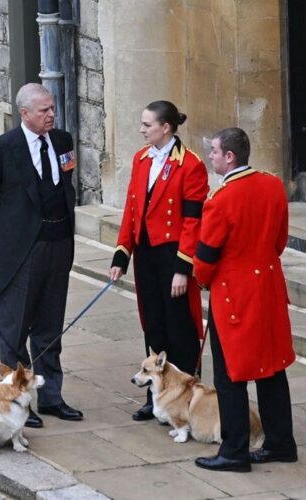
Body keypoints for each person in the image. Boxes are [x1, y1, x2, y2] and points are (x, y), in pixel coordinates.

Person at [0, 82, 82, 428]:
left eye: (52, 109)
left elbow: (66, 185)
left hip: (58, 245)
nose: (51, 115)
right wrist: (7, 234)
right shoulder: (4, 148)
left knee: (49, 328)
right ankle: (19, 402)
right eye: (43, 110)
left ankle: (51, 396)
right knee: (14, 328)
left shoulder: (62, 142)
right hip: (21, 253)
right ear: (25, 113)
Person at [193, 127, 298, 473]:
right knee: (272, 369)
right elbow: (279, 240)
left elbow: (205, 261)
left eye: (214, 151)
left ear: (230, 157)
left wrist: (204, 279)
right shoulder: (272, 185)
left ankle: (234, 451)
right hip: (268, 289)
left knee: (230, 376)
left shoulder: (220, 200)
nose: (210, 156)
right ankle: (281, 442)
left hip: (234, 297)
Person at [109, 100, 208, 421]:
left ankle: (188, 397)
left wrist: (183, 269)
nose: (141, 130)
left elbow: (194, 222)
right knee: (153, 326)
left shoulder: (190, 164)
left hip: (173, 255)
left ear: (166, 128)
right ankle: (157, 397)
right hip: (147, 256)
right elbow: (132, 210)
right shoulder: (141, 159)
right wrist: (121, 253)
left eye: (147, 125)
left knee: (178, 328)